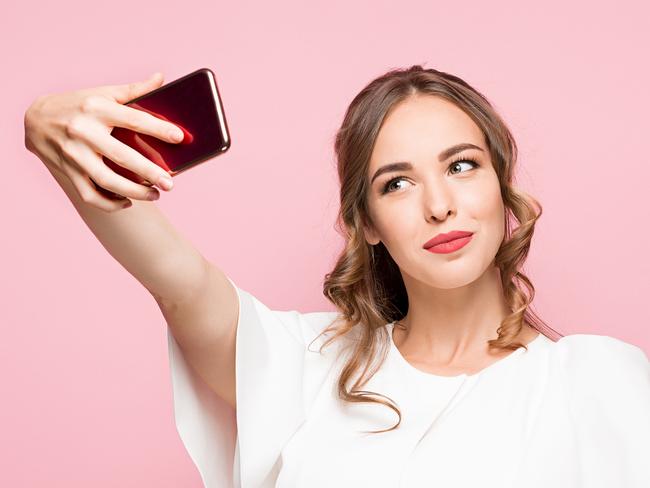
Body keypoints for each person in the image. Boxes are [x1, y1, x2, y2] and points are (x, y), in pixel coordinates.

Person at [24, 65, 650, 488]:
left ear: (500, 182)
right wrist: (50, 127)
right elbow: (177, 283)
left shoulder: (602, 385)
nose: (439, 205)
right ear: (368, 222)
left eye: (462, 166)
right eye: (397, 183)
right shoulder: (305, 364)